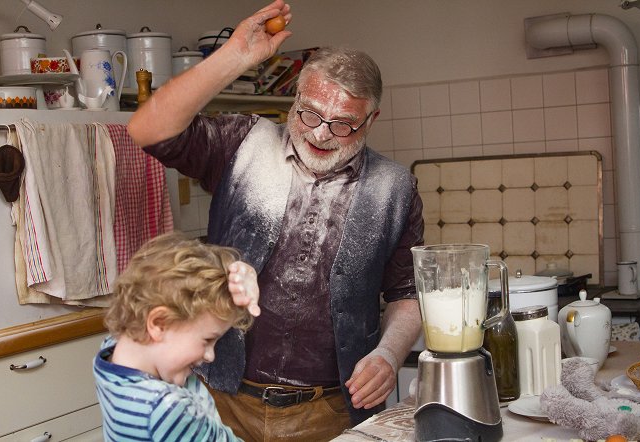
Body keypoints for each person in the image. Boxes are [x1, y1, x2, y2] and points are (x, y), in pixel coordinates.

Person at [127, 1, 424, 440]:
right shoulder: (242, 144)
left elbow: (407, 295)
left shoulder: (395, 188)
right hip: (222, 399)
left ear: (371, 120)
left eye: (343, 124)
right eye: (310, 113)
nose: (321, 134)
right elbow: (147, 130)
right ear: (296, 98)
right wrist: (236, 57)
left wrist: (388, 353)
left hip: (332, 409)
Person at [94, 232, 260, 442]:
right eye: (207, 340)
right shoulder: (166, 410)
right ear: (158, 323)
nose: (210, 356)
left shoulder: (112, 354)